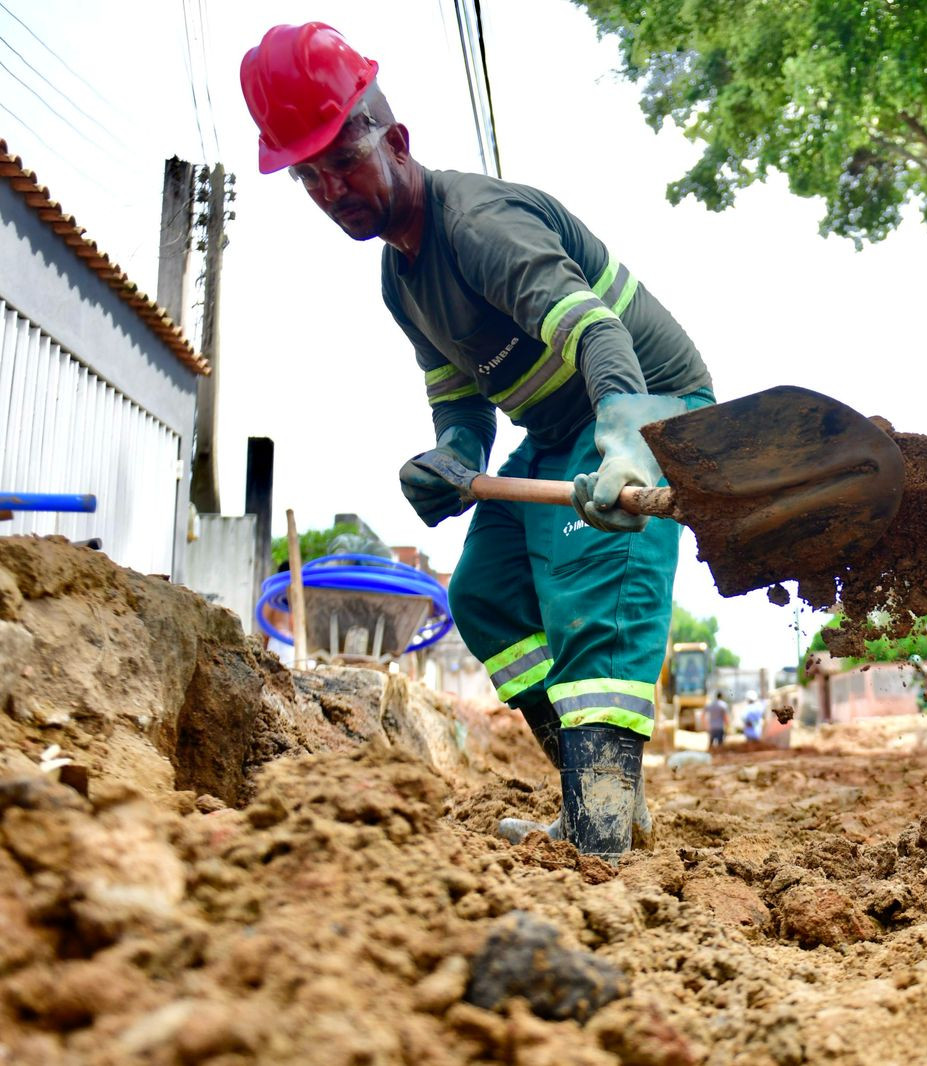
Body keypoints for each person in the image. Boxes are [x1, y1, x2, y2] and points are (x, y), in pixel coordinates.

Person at [240, 24, 715, 863]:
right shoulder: (399, 277)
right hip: (561, 430)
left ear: (394, 141)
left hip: (646, 406)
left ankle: (601, 834)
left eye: (341, 160)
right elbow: (459, 397)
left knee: (594, 600)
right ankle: (601, 804)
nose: (328, 188)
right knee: (487, 593)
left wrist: (627, 441)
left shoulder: (479, 225)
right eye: (308, 177)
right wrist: (454, 458)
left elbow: (597, 331)